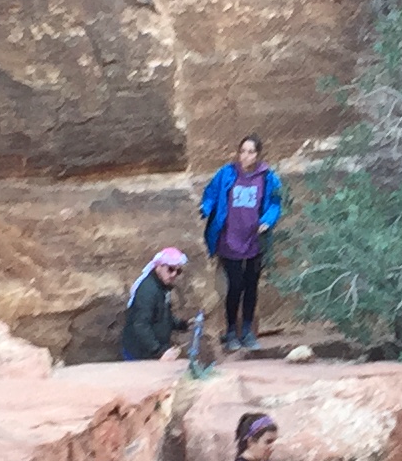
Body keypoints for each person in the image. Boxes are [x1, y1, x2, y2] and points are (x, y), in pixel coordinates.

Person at [200, 137, 284, 353]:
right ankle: (230, 331)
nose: (246, 156)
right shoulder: (227, 173)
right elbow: (211, 193)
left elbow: (275, 202)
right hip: (230, 239)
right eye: (243, 151)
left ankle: (247, 330)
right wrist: (206, 208)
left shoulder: (268, 177)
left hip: (255, 239)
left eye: (250, 152)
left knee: (251, 286)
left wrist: (267, 220)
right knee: (235, 285)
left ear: (258, 155)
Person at [118, 247, 190, 362]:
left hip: (150, 351)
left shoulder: (161, 287)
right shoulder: (148, 290)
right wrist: (159, 352)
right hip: (140, 354)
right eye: (170, 269)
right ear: (159, 266)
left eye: (178, 271)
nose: (174, 275)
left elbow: (162, 315)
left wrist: (181, 325)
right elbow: (141, 325)